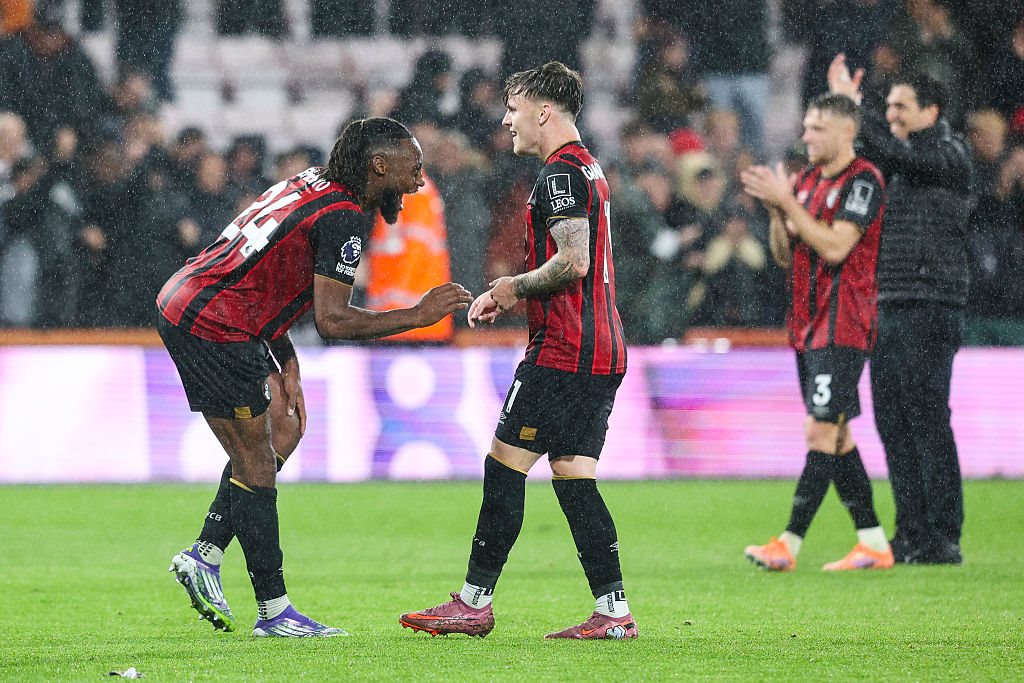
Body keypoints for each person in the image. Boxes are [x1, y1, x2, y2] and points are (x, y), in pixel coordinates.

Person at [157, 118, 473, 637]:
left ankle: (205, 556)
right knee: (256, 460)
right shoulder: (344, 216)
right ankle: (273, 611)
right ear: (379, 166)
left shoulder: (313, 183)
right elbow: (334, 320)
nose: (418, 182)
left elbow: (265, 270)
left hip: (206, 304)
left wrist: (287, 359)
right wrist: (417, 315)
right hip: (214, 322)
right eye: (413, 169)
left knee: (285, 429)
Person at [399, 62, 635, 640]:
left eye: (514, 108)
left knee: (504, 464)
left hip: (565, 350)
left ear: (543, 111)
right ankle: (613, 612)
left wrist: (511, 288)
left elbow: (573, 261)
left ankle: (473, 602)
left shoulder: (560, 174)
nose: (507, 120)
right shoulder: (590, 167)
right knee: (574, 476)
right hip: (602, 348)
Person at [740, 93, 894, 572]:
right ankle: (873, 543)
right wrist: (776, 211)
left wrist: (787, 201)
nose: (806, 135)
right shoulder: (805, 181)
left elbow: (835, 246)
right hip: (807, 327)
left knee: (820, 430)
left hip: (843, 323)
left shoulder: (863, 180)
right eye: (806, 126)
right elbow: (785, 254)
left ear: (847, 131)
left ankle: (788, 543)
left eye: (818, 128)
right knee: (838, 434)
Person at [829, 54, 973, 565]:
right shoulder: (898, 161)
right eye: (888, 106)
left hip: (931, 303)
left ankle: (943, 535)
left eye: (901, 107)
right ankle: (910, 531)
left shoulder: (952, 153)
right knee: (893, 419)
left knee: (927, 416)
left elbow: (894, 152)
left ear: (931, 111)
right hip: (889, 302)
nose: (892, 115)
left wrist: (853, 105)